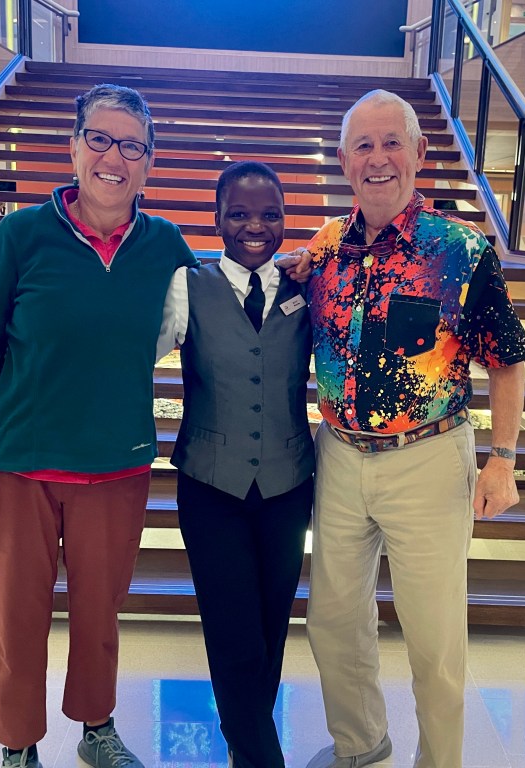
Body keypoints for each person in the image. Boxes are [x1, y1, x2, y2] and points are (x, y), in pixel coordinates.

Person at [0, 84, 200, 768]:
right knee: (17, 616)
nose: (114, 158)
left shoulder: (165, 245)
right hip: (18, 464)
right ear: (74, 147)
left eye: (132, 146)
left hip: (117, 463)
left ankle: (96, 727)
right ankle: (18, 743)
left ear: (149, 163)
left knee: (99, 612)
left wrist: (294, 269)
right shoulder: (21, 235)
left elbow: (221, 301)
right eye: (100, 139)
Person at [302, 90, 525, 768]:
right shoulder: (323, 249)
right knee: (333, 621)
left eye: (391, 143)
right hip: (339, 456)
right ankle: (361, 745)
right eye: (363, 145)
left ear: (419, 153)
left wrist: (503, 459)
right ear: (343, 160)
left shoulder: (460, 250)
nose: (377, 159)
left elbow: (507, 361)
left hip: (428, 458)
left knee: (434, 641)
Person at [157, 161, 314, 767]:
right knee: (232, 630)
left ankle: (245, 747)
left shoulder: (307, 286)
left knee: (272, 627)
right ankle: (261, 758)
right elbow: (133, 349)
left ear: (284, 219)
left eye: (270, 214)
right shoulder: (186, 285)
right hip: (210, 483)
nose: (255, 226)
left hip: (287, 482)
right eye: (240, 213)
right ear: (218, 219)